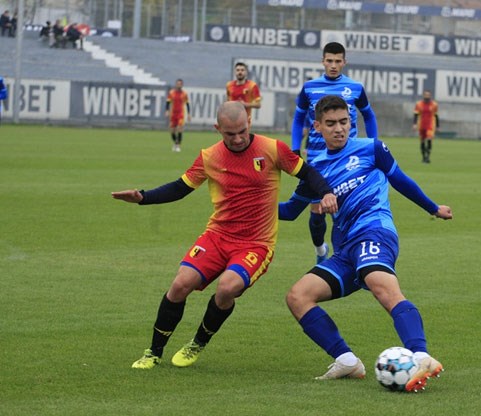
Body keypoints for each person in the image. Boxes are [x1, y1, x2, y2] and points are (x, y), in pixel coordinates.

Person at [111, 101, 337, 370]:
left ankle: (197, 342)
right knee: (180, 284)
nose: (238, 138)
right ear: (217, 128)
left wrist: (326, 192)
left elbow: (307, 173)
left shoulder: (271, 148)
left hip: (256, 244)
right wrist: (143, 197)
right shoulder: (210, 156)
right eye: (230, 134)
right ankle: (153, 352)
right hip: (217, 236)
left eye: (242, 131)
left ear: (249, 122)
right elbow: (180, 188)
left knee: (227, 288)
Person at [282, 95, 452, 392]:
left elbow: (400, 180)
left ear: (351, 122)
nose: (339, 129)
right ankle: (347, 360)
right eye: (331, 124)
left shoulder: (371, 148)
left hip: (375, 232)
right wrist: (249, 201)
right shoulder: (314, 170)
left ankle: (421, 356)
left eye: (344, 122)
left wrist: (433, 208)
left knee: (381, 285)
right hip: (345, 249)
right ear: (317, 126)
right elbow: (290, 211)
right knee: (298, 296)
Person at [288, 41, 379, 265]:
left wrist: (373, 144)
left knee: (347, 210)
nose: (333, 65)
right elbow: (299, 119)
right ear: (323, 61)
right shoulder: (309, 88)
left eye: (338, 61)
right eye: (329, 60)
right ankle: (321, 249)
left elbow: (369, 115)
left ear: (344, 62)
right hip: (316, 160)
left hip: (349, 159)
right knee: (317, 213)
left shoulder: (355, 88)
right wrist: (295, 148)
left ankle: (345, 259)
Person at [225, 62, 261, 128]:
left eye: (242, 70)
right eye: (238, 70)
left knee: (242, 135)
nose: (240, 72)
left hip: (245, 121)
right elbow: (227, 102)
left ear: (246, 72)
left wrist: (245, 104)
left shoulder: (252, 86)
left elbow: (258, 105)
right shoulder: (229, 85)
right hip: (231, 119)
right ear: (235, 72)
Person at [412, 90, 439, 163]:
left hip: (430, 125)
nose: (427, 96)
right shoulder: (419, 104)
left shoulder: (434, 105)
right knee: (422, 141)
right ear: (423, 95)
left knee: (429, 139)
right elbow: (416, 114)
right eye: (426, 95)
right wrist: (414, 124)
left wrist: (437, 126)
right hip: (421, 125)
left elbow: (436, 116)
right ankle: (424, 157)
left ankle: (428, 156)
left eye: (428, 95)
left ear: (430, 96)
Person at [165, 78, 191, 152]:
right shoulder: (171, 93)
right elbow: (168, 102)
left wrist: (189, 114)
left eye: (180, 84)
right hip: (173, 114)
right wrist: (167, 110)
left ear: (182, 85)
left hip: (180, 114)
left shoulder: (184, 94)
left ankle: (178, 145)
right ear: (176, 84)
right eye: (178, 84)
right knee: (172, 131)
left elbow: (187, 104)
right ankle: (175, 143)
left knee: (179, 128)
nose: (179, 85)